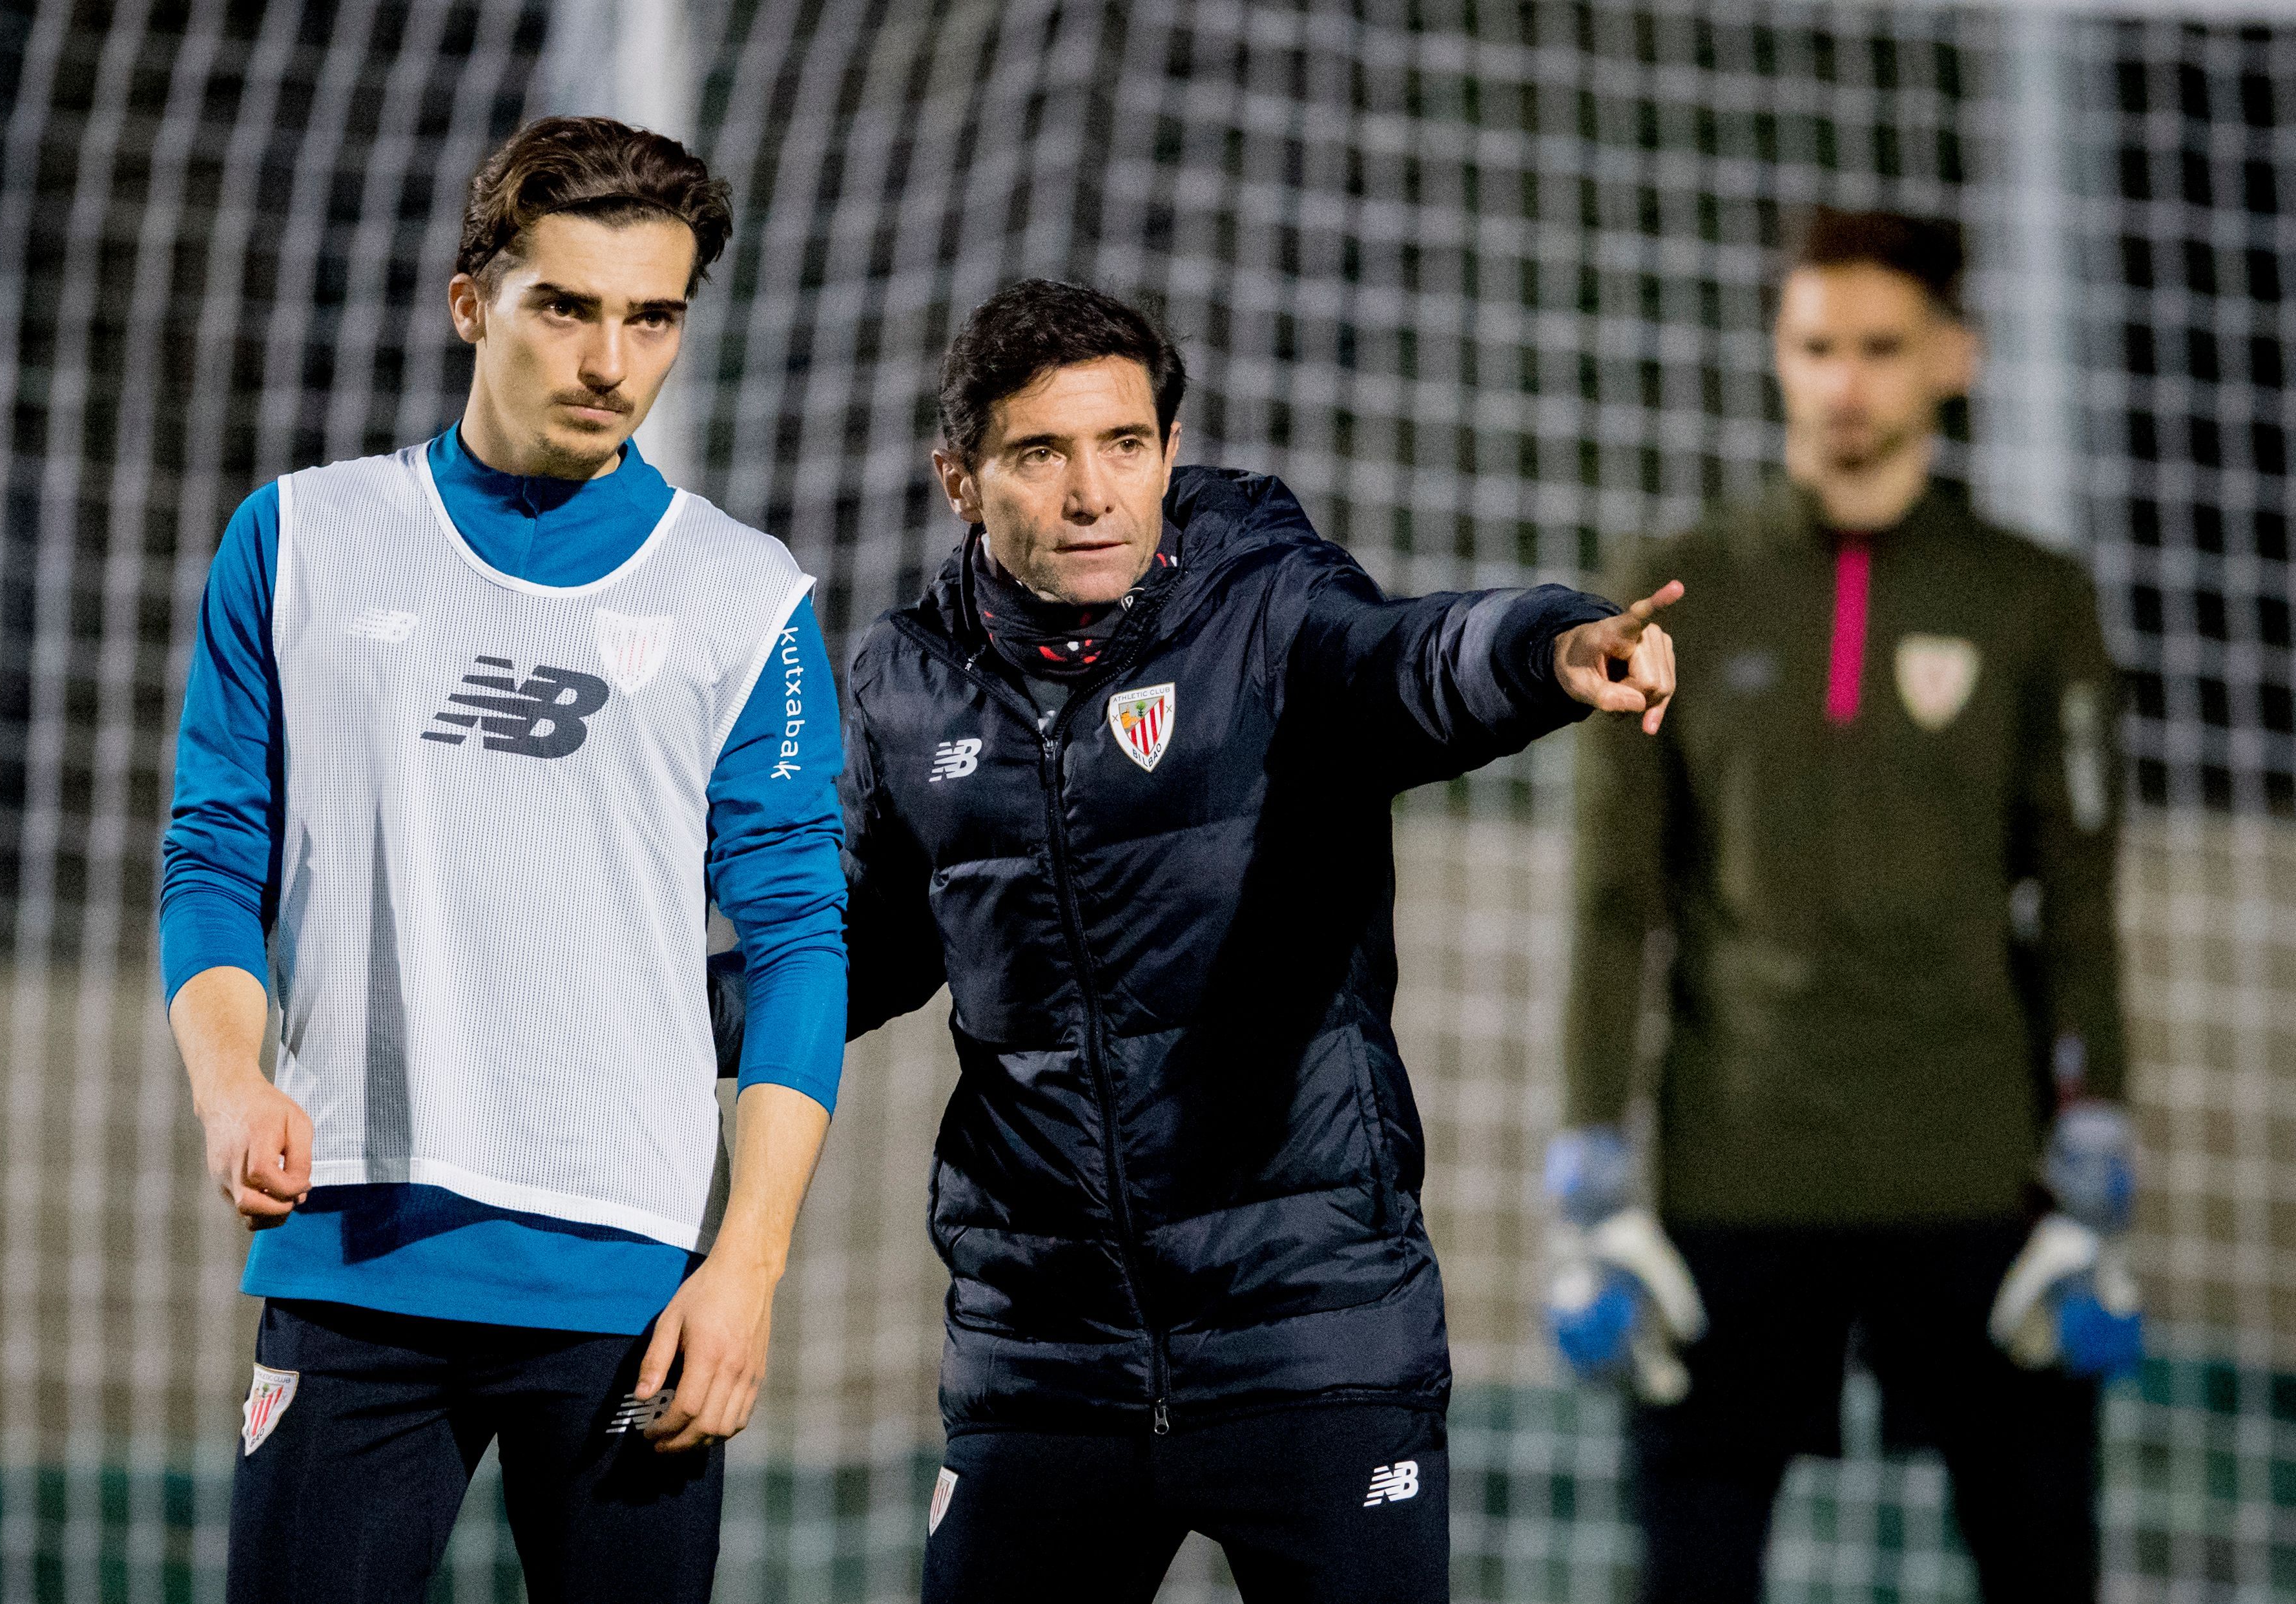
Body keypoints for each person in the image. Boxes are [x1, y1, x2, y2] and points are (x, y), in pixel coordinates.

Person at [835, 279, 1683, 1603]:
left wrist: (1551, 647)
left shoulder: (1270, 610)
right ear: (961, 479)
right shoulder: (905, 678)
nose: (1091, 492)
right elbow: (871, 944)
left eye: (1125, 445)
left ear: (1170, 453)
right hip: (1041, 1360)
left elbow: (1411, 661)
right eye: (1041, 453)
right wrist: (670, 1010)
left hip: (1313, 1341)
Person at [158, 116, 846, 1604]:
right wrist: (230, 1083)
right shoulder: (299, 541)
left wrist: (748, 1268)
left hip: (632, 1288)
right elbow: (214, 855)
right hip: (354, 1255)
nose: (612, 361)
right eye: (569, 308)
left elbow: (801, 942)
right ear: (474, 303)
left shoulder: (748, 600)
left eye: (652, 317)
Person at [1551, 208, 2136, 1603]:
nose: (1845, 385)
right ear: (1778, 357)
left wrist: (2099, 1121)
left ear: (1956, 359)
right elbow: (1612, 900)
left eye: (1881, 348)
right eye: (1816, 347)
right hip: (1733, 1179)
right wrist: (1589, 1153)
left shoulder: (2031, 598)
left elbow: (2082, 895)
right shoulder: (1684, 582)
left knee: (2044, 1561)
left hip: (1980, 1183)